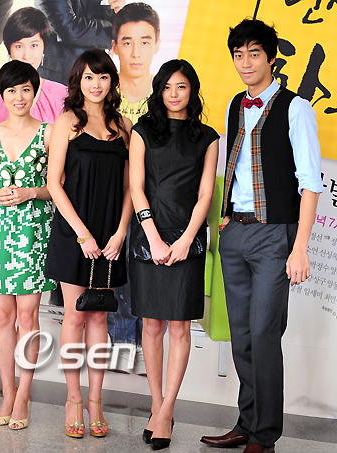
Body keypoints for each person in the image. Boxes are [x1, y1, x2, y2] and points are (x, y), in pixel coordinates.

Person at [200, 19, 322, 453]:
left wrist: (300, 247)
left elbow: (310, 183)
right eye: (239, 54)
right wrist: (225, 219)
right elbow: (233, 167)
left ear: (271, 58)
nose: (246, 62)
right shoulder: (235, 104)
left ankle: (264, 436)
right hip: (236, 232)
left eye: (254, 53)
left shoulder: (296, 108)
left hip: (275, 235)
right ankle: (246, 423)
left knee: (265, 333)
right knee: (242, 334)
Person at [130, 59, 219, 450]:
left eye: (181, 86)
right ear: (159, 91)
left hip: (188, 240)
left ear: (192, 90)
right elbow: (136, 188)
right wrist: (153, 236)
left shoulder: (208, 137)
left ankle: (167, 411)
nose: (174, 94)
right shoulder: (142, 130)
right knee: (151, 326)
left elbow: (205, 195)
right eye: (167, 86)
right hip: (149, 236)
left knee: (180, 327)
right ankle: (157, 406)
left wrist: (185, 240)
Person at [45, 49, 132, 438]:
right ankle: (73, 399)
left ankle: (96, 401)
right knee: (75, 316)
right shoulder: (67, 122)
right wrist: (81, 233)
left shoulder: (124, 126)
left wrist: (121, 232)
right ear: (78, 82)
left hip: (110, 236)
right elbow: (54, 184)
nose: (96, 85)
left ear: (112, 82)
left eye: (103, 77)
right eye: (88, 78)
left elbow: (131, 187)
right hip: (74, 233)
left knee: (100, 316)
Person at [0, 60, 56, 430]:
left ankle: (24, 395)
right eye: (11, 90)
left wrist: (30, 192)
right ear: (1, 94)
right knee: (3, 317)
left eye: (25, 89)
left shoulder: (49, 133)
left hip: (34, 232)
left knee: (28, 317)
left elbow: (56, 187)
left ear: (35, 91)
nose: (19, 96)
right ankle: (7, 393)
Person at [107, 1, 161, 375]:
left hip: (155, 202)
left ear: (157, 44)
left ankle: (146, 349)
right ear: (115, 46)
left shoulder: (168, 96)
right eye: (127, 42)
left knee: (148, 275)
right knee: (115, 274)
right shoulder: (101, 93)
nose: (136, 52)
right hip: (111, 200)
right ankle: (121, 347)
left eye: (144, 41)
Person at [0, 7, 67, 124]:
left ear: (43, 47)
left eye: (34, 45)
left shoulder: (62, 94)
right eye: (19, 46)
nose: (26, 56)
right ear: (9, 49)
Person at [35, 0, 126, 85]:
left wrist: (120, 10)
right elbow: (69, 29)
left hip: (96, 68)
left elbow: (110, 16)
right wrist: (113, 34)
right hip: (63, 73)